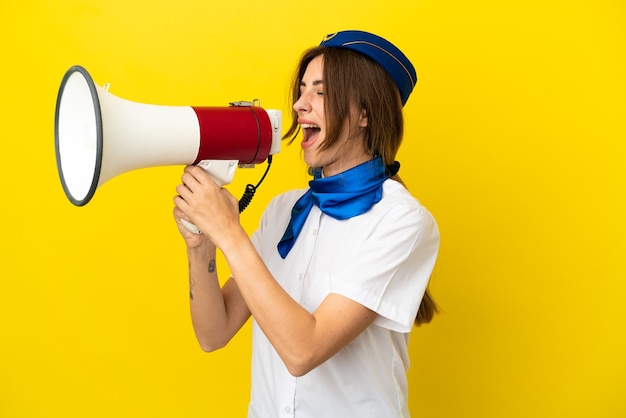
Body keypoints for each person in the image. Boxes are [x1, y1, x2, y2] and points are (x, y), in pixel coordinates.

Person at [173, 30, 440, 417]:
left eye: (320, 91)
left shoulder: (402, 221)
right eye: (301, 90)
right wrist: (201, 244)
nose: (299, 105)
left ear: (365, 112)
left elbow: (304, 350)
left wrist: (229, 231)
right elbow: (214, 333)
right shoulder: (283, 211)